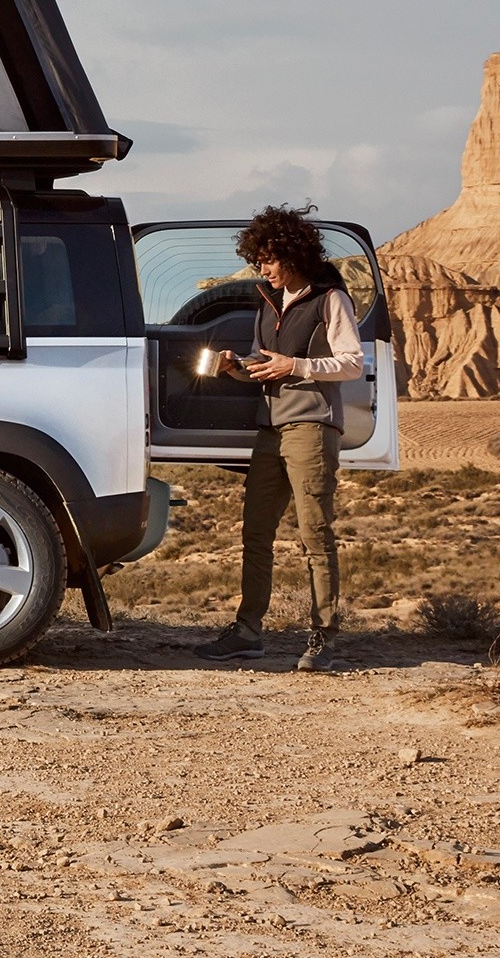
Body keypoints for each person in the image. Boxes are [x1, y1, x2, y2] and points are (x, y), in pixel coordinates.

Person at [195, 205, 364, 673]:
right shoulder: (266, 305)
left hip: (311, 428)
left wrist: (300, 366)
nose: (261, 268)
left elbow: (353, 363)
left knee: (316, 535)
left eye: (268, 259)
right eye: (258, 260)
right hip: (270, 428)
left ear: (291, 255)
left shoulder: (331, 299)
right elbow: (269, 367)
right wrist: (239, 367)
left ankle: (323, 637)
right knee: (255, 533)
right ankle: (248, 632)